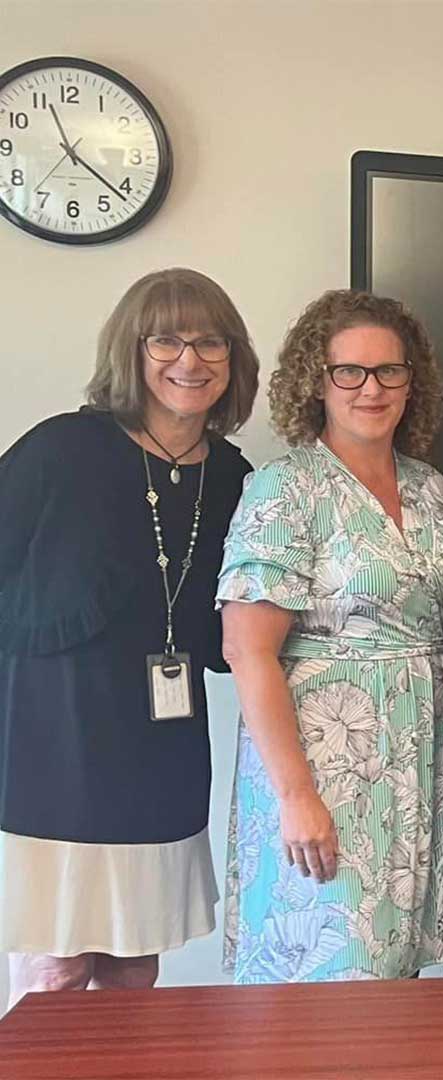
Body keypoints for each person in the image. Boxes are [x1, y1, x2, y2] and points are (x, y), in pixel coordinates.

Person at [0, 269, 258, 1008]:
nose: (191, 358)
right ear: (132, 350)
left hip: (161, 749)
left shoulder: (235, 478)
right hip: (57, 749)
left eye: (211, 340)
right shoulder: (61, 450)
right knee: (54, 972)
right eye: (167, 338)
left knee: (132, 973)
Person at [218, 290, 443, 983]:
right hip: (326, 772)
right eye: (348, 372)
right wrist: (297, 796)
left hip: (417, 767)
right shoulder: (284, 487)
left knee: (395, 979)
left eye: (390, 371)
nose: (371, 388)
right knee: (329, 973)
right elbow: (247, 649)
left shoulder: (428, 488)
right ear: (315, 382)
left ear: (413, 382)